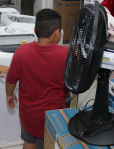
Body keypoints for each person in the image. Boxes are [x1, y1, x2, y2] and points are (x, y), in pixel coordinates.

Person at [6, 9, 69, 149]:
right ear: (57, 33)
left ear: (35, 30)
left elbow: (11, 80)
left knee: (29, 142)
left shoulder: (21, 52)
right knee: (46, 145)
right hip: (52, 118)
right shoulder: (66, 54)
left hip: (28, 115)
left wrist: (9, 94)